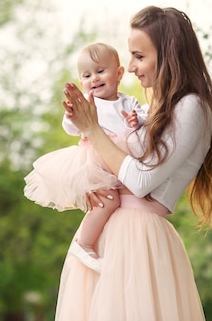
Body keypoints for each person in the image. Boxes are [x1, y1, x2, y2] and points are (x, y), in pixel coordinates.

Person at [56, 6, 212, 320]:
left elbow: (141, 181)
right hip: (113, 232)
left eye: (139, 56)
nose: (131, 67)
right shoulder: (153, 108)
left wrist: (93, 128)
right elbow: (117, 164)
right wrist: (90, 183)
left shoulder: (191, 107)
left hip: (139, 237)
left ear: (167, 55)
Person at [24, 42, 147, 272]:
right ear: (81, 83)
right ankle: (84, 243)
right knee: (107, 202)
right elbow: (71, 128)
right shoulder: (91, 103)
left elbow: (140, 118)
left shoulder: (128, 101)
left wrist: (135, 121)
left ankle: (102, 242)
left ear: (119, 73)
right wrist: (72, 115)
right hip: (95, 160)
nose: (95, 79)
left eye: (101, 71)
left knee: (121, 202)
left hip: (120, 158)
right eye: (87, 75)